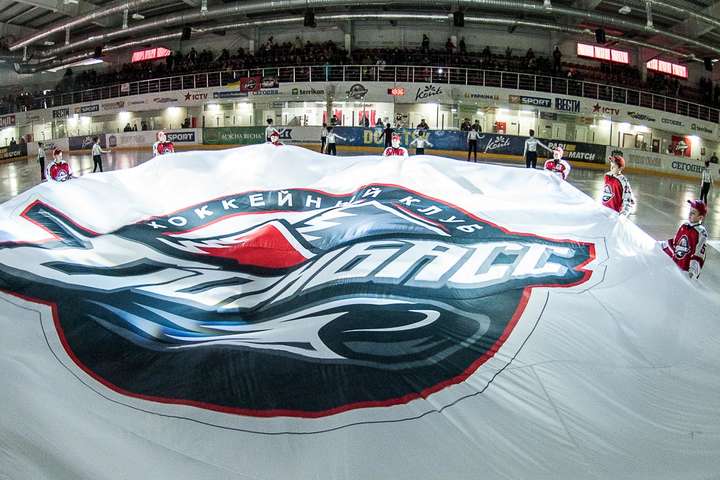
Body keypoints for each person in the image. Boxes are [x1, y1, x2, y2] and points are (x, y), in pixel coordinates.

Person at [661, 200, 708, 279]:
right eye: (690, 211)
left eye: (693, 213)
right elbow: (675, 243)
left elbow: (699, 254)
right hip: (675, 265)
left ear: (700, 217)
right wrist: (663, 245)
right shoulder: (684, 225)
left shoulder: (701, 233)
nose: (689, 214)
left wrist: (692, 271)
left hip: (685, 270)